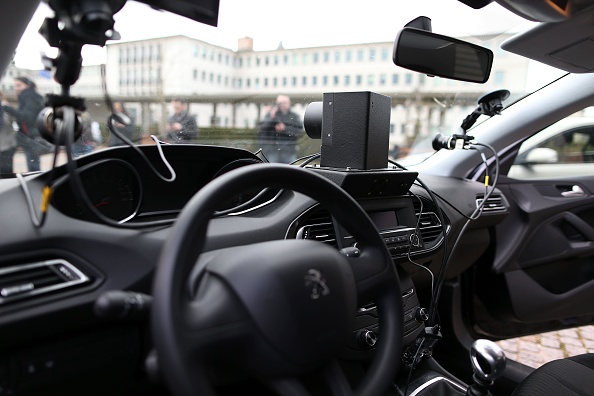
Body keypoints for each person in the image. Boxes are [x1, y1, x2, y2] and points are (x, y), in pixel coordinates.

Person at [2, 76, 45, 172]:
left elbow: (27, 117)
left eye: (19, 85)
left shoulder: (29, 96)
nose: (17, 88)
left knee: (33, 165)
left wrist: (7, 107)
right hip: (30, 133)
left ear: (27, 85)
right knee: (33, 162)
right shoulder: (30, 96)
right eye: (15, 86)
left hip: (31, 134)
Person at [258, 94, 304, 163]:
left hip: (289, 150)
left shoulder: (294, 116)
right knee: (273, 171)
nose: (283, 105)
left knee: (290, 172)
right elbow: (263, 129)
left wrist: (285, 129)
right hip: (273, 150)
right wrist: (272, 117)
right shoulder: (271, 115)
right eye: (280, 103)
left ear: (289, 103)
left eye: (285, 102)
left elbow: (298, 131)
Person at [0, 91, 17, 174]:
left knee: (6, 171)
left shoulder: (5, 108)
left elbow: (14, 120)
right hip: (6, 144)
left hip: (7, 145)